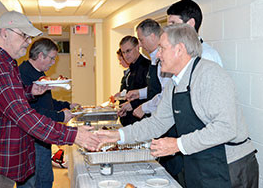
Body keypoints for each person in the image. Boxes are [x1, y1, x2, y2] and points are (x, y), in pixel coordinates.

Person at [97, 23, 258, 188]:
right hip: (200, 163)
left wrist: (177, 144)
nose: (158, 54)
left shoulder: (210, 74)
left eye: (162, 48)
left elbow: (226, 128)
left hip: (230, 166)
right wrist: (119, 136)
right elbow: (157, 123)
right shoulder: (174, 84)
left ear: (179, 49)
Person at [0, 11, 99, 188]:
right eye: (24, 36)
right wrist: (73, 135)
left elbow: (3, 99)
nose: (28, 42)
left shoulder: (4, 61)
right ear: (5, 33)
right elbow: (22, 114)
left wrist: (30, 91)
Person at [17, 37, 79, 188]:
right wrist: (60, 116)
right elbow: (31, 111)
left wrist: (67, 105)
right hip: (30, 140)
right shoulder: (23, 74)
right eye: (51, 58)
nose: (53, 62)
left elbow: (46, 103)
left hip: (42, 136)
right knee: (34, 183)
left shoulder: (39, 74)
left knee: (45, 180)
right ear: (40, 56)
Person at [166, 0, 223, 66]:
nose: (168, 29)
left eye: (173, 23)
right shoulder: (175, 53)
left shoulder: (206, 56)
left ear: (190, 23)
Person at [117, 36, 150, 126]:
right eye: (123, 52)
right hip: (130, 121)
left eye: (128, 51)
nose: (126, 55)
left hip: (142, 121)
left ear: (137, 47)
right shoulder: (131, 69)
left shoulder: (147, 67)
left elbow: (153, 94)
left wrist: (133, 105)